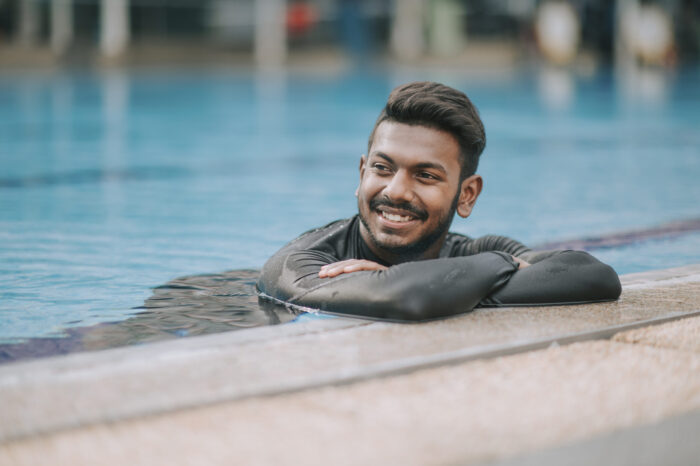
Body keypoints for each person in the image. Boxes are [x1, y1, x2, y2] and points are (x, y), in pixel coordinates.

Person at [256, 81, 621, 322]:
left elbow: (595, 277)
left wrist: (459, 281)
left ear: (467, 194)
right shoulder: (302, 262)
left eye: (425, 175)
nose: (396, 191)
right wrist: (503, 266)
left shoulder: (475, 252)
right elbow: (406, 299)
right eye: (382, 168)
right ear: (361, 174)